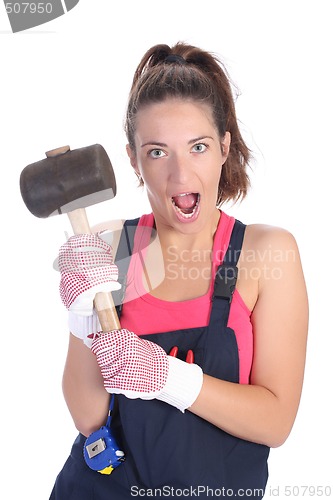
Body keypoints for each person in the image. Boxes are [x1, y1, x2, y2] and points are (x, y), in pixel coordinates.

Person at [49, 42, 308, 499]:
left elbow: (276, 421)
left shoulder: (265, 252)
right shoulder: (115, 250)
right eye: (156, 152)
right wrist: (81, 316)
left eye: (198, 147)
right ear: (132, 159)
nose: (181, 175)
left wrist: (168, 379)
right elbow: (90, 419)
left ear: (225, 147)